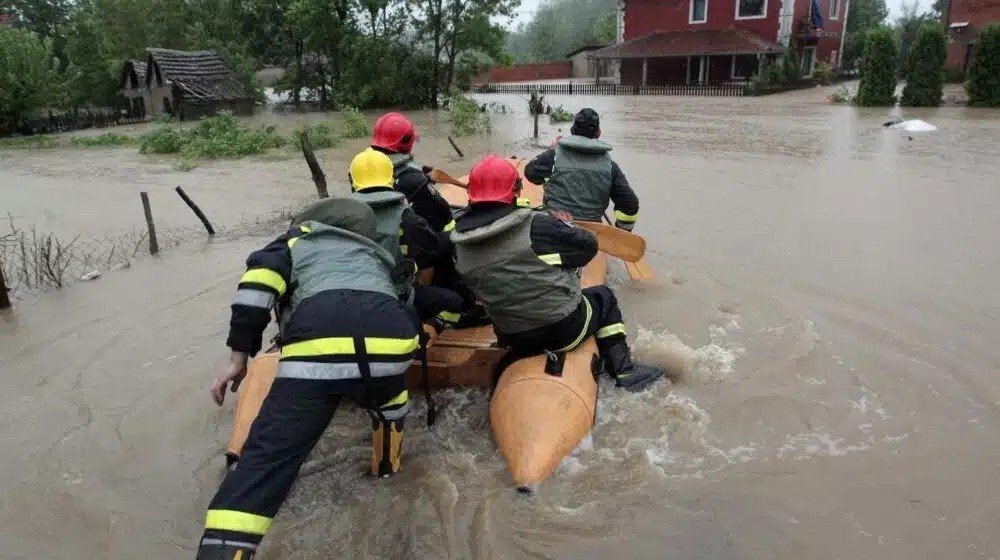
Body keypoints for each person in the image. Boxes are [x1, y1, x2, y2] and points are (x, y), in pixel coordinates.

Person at [197, 198, 419, 560]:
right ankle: (387, 472)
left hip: (318, 344)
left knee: (264, 464)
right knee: (390, 402)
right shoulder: (373, 254)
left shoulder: (292, 243)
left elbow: (255, 291)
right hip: (391, 342)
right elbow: (403, 298)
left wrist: (239, 357)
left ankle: (226, 547)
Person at [451, 155, 663, 392]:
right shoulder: (538, 226)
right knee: (604, 298)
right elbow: (587, 249)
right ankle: (625, 370)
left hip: (510, 335)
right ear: (516, 190)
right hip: (560, 330)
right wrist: (566, 227)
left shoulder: (457, 241)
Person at [348, 147, 463, 327]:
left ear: (352, 180)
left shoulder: (340, 217)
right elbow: (430, 246)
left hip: (353, 299)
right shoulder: (406, 217)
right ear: (391, 178)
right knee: (454, 302)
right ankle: (432, 327)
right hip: (396, 297)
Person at [524, 108, 640, 231]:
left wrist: (551, 150)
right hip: (590, 235)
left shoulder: (554, 156)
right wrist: (621, 232)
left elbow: (530, 173)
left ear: (572, 131)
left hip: (555, 227)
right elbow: (630, 205)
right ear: (599, 134)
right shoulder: (610, 167)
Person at [370, 112, 455, 233]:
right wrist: (423, 180)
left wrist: (424, 176)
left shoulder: (362, 170)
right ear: (407, 141)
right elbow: (443, 212)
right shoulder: (415, 180)